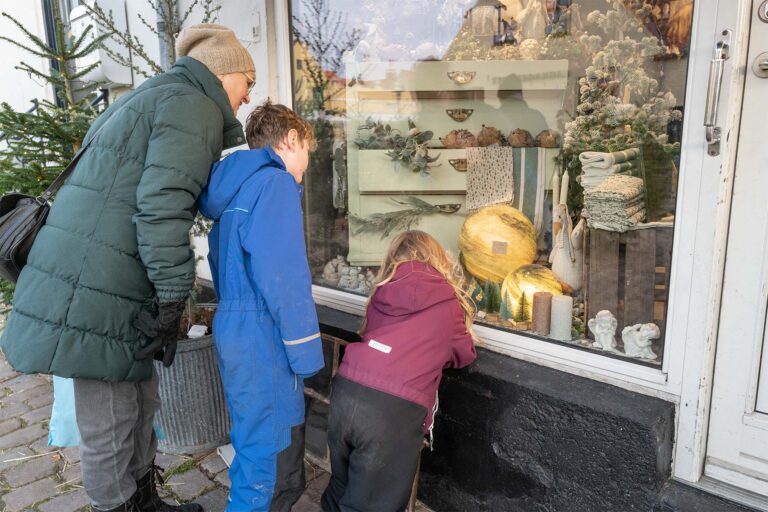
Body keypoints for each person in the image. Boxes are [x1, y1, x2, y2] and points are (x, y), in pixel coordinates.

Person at [0, 24, 255, 512]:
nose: (247, 97)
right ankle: (117, 506)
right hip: (97, 288)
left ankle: (144, 502)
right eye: (249, 82)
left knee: (138, 405)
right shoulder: (192, 106)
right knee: (111, 422)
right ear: (225, 73)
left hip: (106, 278)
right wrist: (173, 293)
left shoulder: (160, 95)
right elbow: (161, 209)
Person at [198, 100, 324, 511]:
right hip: (261, 333)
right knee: (272, 463)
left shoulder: (238, 189)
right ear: (291, 139)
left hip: (235, 325)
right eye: (307, 148)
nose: (306, 162)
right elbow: (283, 276)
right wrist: (307, 353)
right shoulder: (275, 185)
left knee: (253, 441)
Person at [321, 230, 479, 512]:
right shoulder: (447, 302)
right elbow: (463, 354)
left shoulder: (383, 290)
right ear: (438, 259)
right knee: (371, 503)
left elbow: (374, 334)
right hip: (391, 410)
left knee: (342, 485)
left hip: (347, 389)